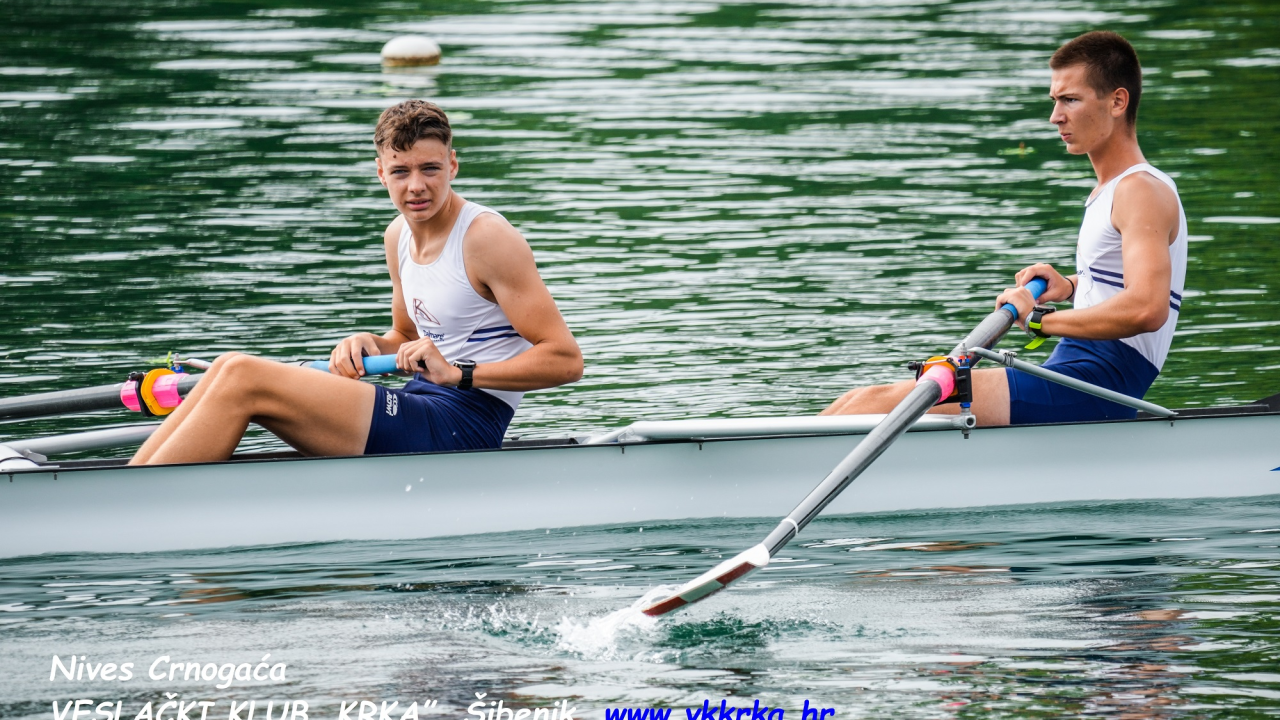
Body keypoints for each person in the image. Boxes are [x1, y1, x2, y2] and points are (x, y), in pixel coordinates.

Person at [131, 100, 583, 464]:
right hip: (418, 402)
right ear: (381, 172)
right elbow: (406, 337)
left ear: (453, 166)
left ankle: (134, 505)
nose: (416, 187)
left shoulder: (486, 238)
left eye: (430, 169)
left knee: (244, 375)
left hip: (463, 425)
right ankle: (136, 486)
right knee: (229, 365)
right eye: (401, 172)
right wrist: (368, 342)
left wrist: (461, 373)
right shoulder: (397, 236)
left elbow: (565, 361)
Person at [823, 31, 1186, 426]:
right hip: (1076, 369)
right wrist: (1070, 286)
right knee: (854, 400)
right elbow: (1123, 283)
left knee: (871, 404)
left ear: (1117, 101)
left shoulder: (1140, 190)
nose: (1055, 117)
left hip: (1098, 384)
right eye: (1055, 101)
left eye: (1071, 100)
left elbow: (1148, 308)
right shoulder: (1114, 189)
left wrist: (1036, 321)